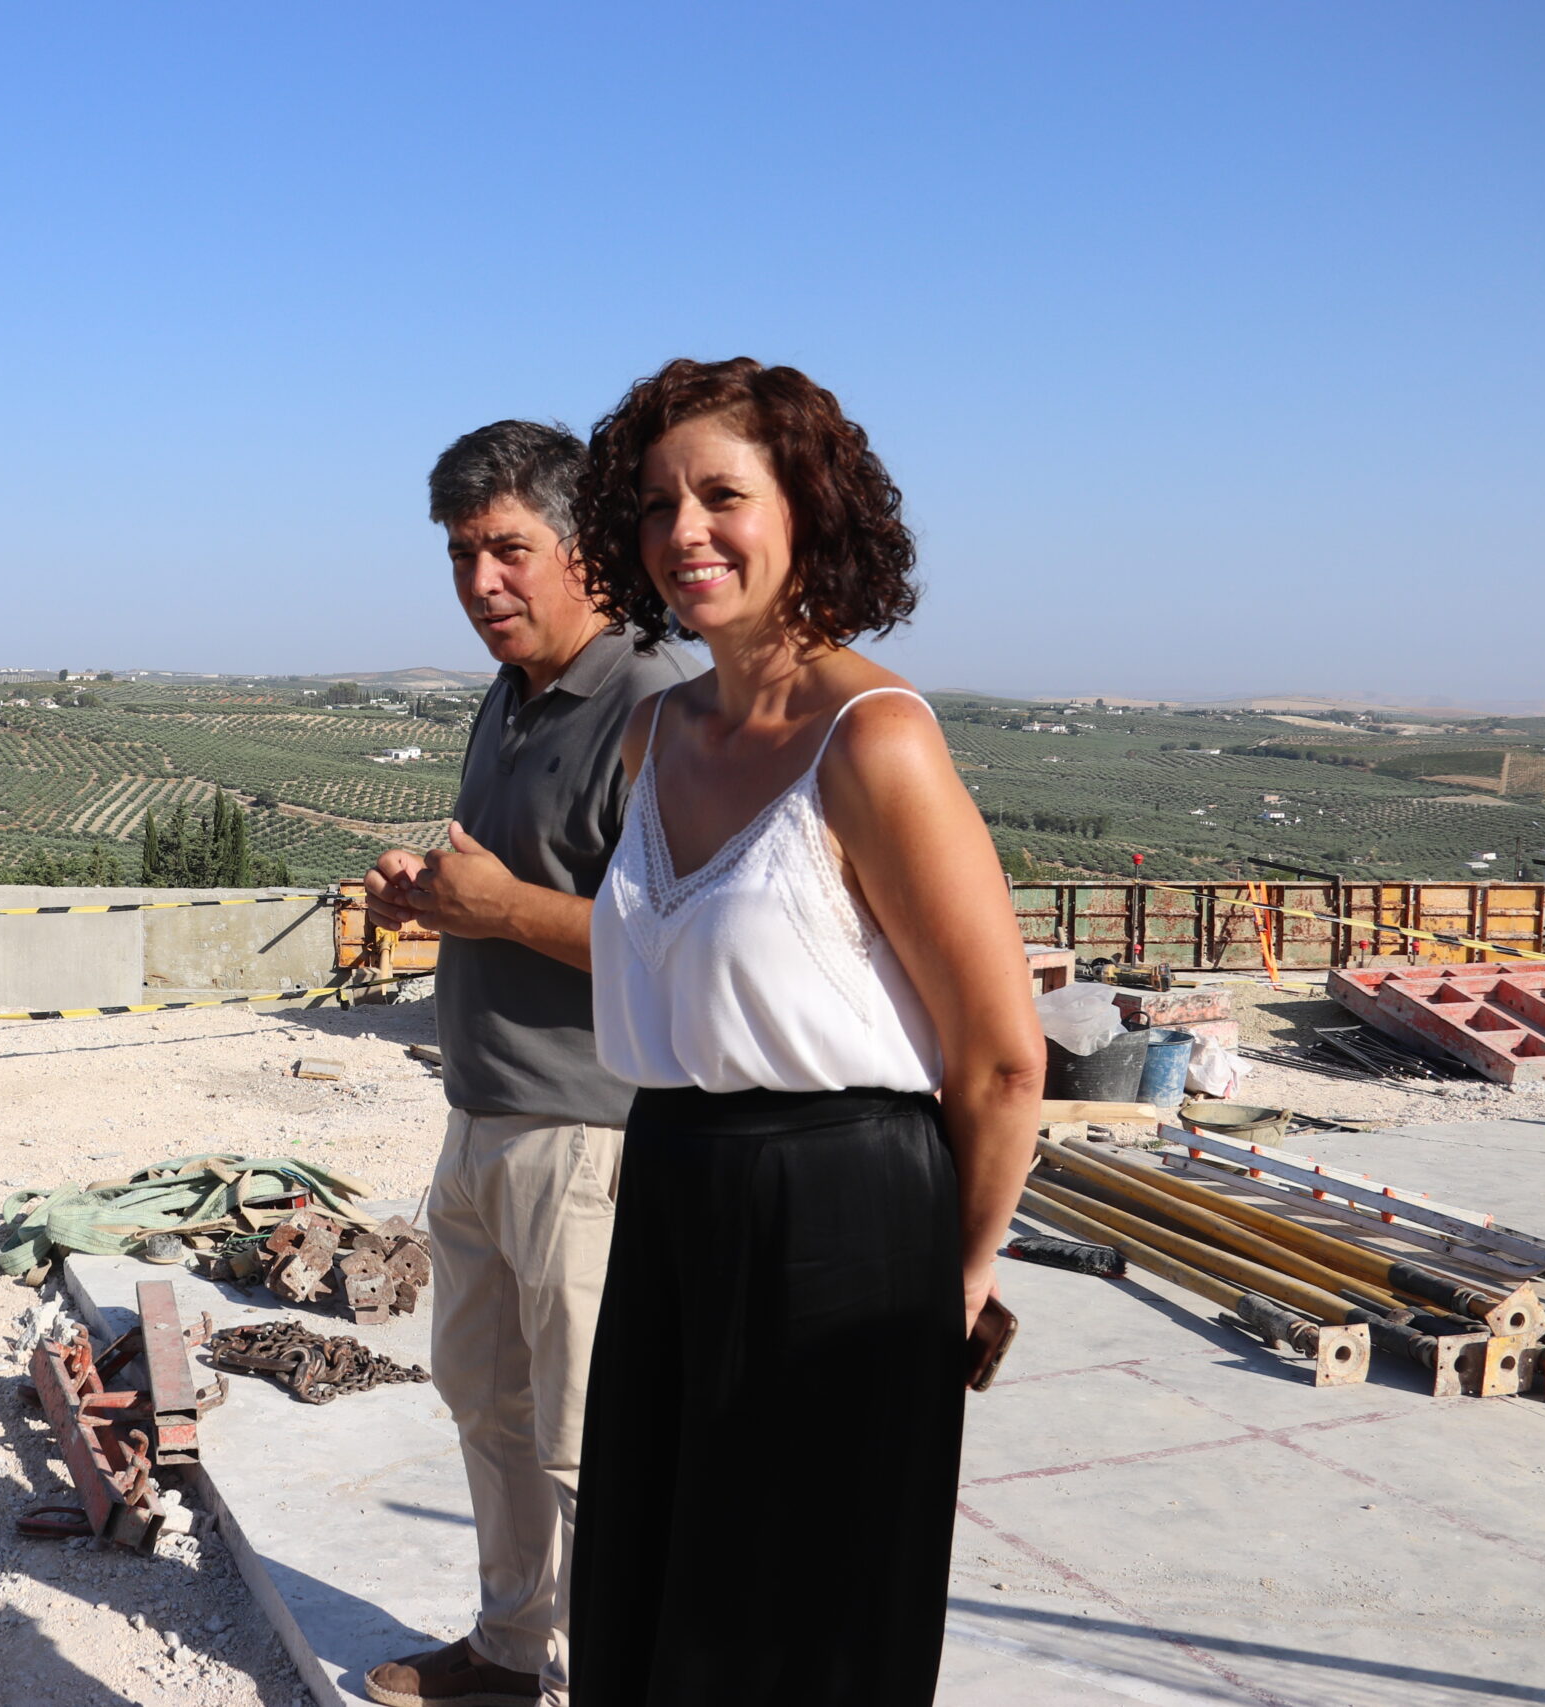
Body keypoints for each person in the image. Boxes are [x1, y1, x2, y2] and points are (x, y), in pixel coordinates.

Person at [565, 358, 1043, 1705]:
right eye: (657, 504)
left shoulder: (874, 738)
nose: (685, 533)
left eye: (724, 493)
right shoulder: (654, 734)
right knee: (655, 1586)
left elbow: (1004, 1054)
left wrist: (955, 1273)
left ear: (808, 509)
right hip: (673, 1187)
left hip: (842, 1214)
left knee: (792, 1624)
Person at [359, 421, 697, 1707]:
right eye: (462, 555)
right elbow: (516, 891)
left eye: (510, 550)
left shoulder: (654, 707)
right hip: (482, 1116)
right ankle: (510, 1656)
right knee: (488, 1411)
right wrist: (435, 901)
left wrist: (497, 910)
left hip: (592, 1138)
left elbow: (681, 956)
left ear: (588, 557)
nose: (482, 582)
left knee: (584, 1449)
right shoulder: (509, 698)